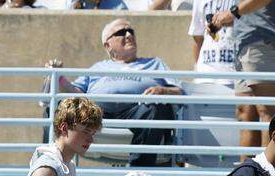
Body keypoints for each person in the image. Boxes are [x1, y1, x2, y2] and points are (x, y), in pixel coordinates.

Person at [53, 19, 182, 166]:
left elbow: (179, 91)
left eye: (131, 31)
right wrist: (58, 77)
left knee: (156, 108)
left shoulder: (155, 63)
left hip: (138, 113)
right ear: (107, 45)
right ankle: (54, 164)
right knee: (56, 108)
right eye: (121, 32)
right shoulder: (98, 67)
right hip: (97, 116)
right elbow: (76, 94)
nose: (128, 35)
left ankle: (137, 174)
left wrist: (163, 91)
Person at [208, 0, 275, 148]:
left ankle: (269, 170)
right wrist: (225, 19)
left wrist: (232, 13)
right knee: (244, 114)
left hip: (263, 42)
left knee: (267, 111)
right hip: (243, 44)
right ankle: (248, 170)